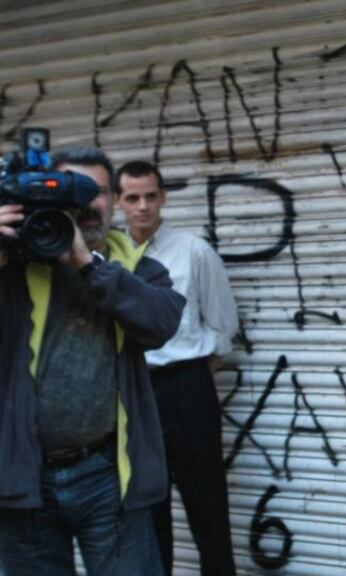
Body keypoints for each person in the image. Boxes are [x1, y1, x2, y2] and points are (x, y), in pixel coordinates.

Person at [0, 147, 184, 575]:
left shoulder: (137, 268)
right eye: (71, 190)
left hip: (107, 476)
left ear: (114, 199)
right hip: (24, 477)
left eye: (96, 191)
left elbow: (160, 322)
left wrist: (86, 263)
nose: (85, 203)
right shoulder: (12, 270)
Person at [114, 160, 238, 576]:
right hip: (133, 392)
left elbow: (222, 327)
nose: (143, 206)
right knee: (150, 517)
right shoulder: (108, 258)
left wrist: (195, 378)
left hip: (187, 389)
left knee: (208, 512)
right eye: (132, 198)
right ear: (118, 202)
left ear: (163, 196)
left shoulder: (194, 251)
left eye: (151, 196)